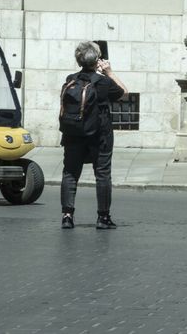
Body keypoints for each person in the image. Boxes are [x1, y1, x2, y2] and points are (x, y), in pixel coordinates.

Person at [59, 40, 126, 230]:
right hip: (99, 135)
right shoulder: (103, 82)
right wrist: (109, 72)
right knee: (102, 174)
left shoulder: (70, 79)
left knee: (70, 173)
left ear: (78, 60)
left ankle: (67, 216)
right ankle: (103, 217)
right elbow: (124, 93)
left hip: (73, 133)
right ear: (97, 60)